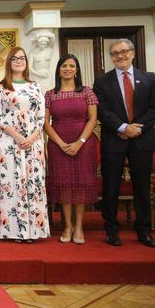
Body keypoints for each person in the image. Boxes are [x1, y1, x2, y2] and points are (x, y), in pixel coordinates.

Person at [93, 39, 155, 248]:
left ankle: (144, 230)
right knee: (110, 186)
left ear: (132, 53)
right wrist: (122, 127)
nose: (119, 56)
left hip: (142, 139)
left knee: (141, 186)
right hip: (114, 140)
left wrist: (136, 128)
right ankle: (111, 230)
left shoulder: (148, 78)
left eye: (123, 52)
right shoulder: (102, 81)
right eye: (114, 53)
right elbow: (101, 110)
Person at [0, 47, 49, 242]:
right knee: (12, 184)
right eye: (14, 58)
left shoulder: (36, 86)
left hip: (33, 142)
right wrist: (16, 135)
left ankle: (35, 230)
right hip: (9, 142)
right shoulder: (1, 87)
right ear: (9, 62)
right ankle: (14, 231)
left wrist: (33, 136)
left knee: (33, 182)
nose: (18, 61)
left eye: (22, 58)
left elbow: (41, 116)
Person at [44, 54, 99, 245]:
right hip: (58, 144)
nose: (68, 69)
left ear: (77, 70)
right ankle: (67, 225)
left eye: (72, 66)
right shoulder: (50, 94)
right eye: (64, 66)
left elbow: (93, 118)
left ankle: (79, 226)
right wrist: (60, 143)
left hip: (83, 144)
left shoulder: (87, 91)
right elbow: (45, 123)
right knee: (64, 184)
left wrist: (80, 141)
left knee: (81, 184)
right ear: (58, 70)